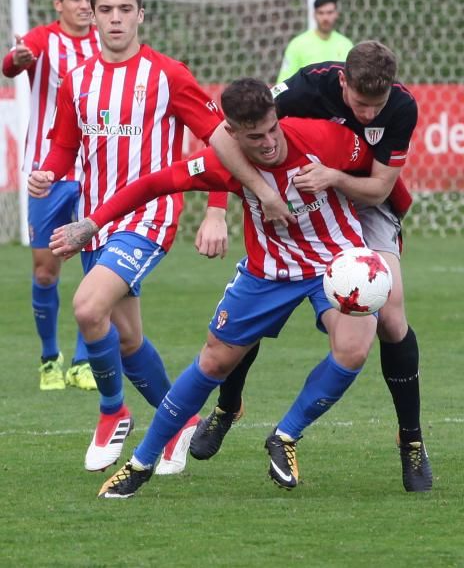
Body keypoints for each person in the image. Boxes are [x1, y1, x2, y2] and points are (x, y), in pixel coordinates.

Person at [49, 76, 381, 499]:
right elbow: (154, 184)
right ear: (232, 134)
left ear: (277, 117)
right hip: (269, 271)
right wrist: (91, 225)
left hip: (337, 265)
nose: (267, 144)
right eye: (253, 137)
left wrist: (339, 182)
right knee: (214, 363)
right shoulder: (223, 164)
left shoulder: (324, 137)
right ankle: (141, 463)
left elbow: (378, 174)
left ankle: (285, 435)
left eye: (271, 130)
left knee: (353, 348)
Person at [196, 41, 432, 494]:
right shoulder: (305, 88)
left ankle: (412, 440)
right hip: (299, 199)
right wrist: (227, 204)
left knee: (391, 313)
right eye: (359, 104)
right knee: (259, 304)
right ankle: (228, 407)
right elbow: (227, 135)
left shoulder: (401, 106)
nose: (367, 115)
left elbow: (380, 189)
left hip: (361, 200)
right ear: (342, 82)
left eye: (375, 106)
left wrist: (332, 176)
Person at [27, 0, 229, 477]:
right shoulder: (79, 80)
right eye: (105, 10)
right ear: (91, 16)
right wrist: (49, 170)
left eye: (124, 10)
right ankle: (180, 419)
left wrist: (218, 210)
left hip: (149, 218)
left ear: (141, 14)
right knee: (126, 338)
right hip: (95, 221)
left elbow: (224, 140)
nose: (115, 19)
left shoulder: (167, 75)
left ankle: (113, 410)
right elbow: (65, 144)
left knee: (86, 307)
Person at [2, 0, 100, 392]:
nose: (84, 6)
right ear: (58, 3)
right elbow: (11, 62)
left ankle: (83, 361)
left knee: (96, 267)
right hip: (48, 171)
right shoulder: (44, 40)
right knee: (46, 270)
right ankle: (49, 358)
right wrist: (16, 59)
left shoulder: (107, 43)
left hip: (96, 172)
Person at [276, 0, 353, 83]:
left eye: (329, 12)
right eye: (321, 13)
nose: (325, 18)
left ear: (336, 14)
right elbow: (284, 83)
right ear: (314, 15)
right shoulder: (297, 44)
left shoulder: (346, 45)